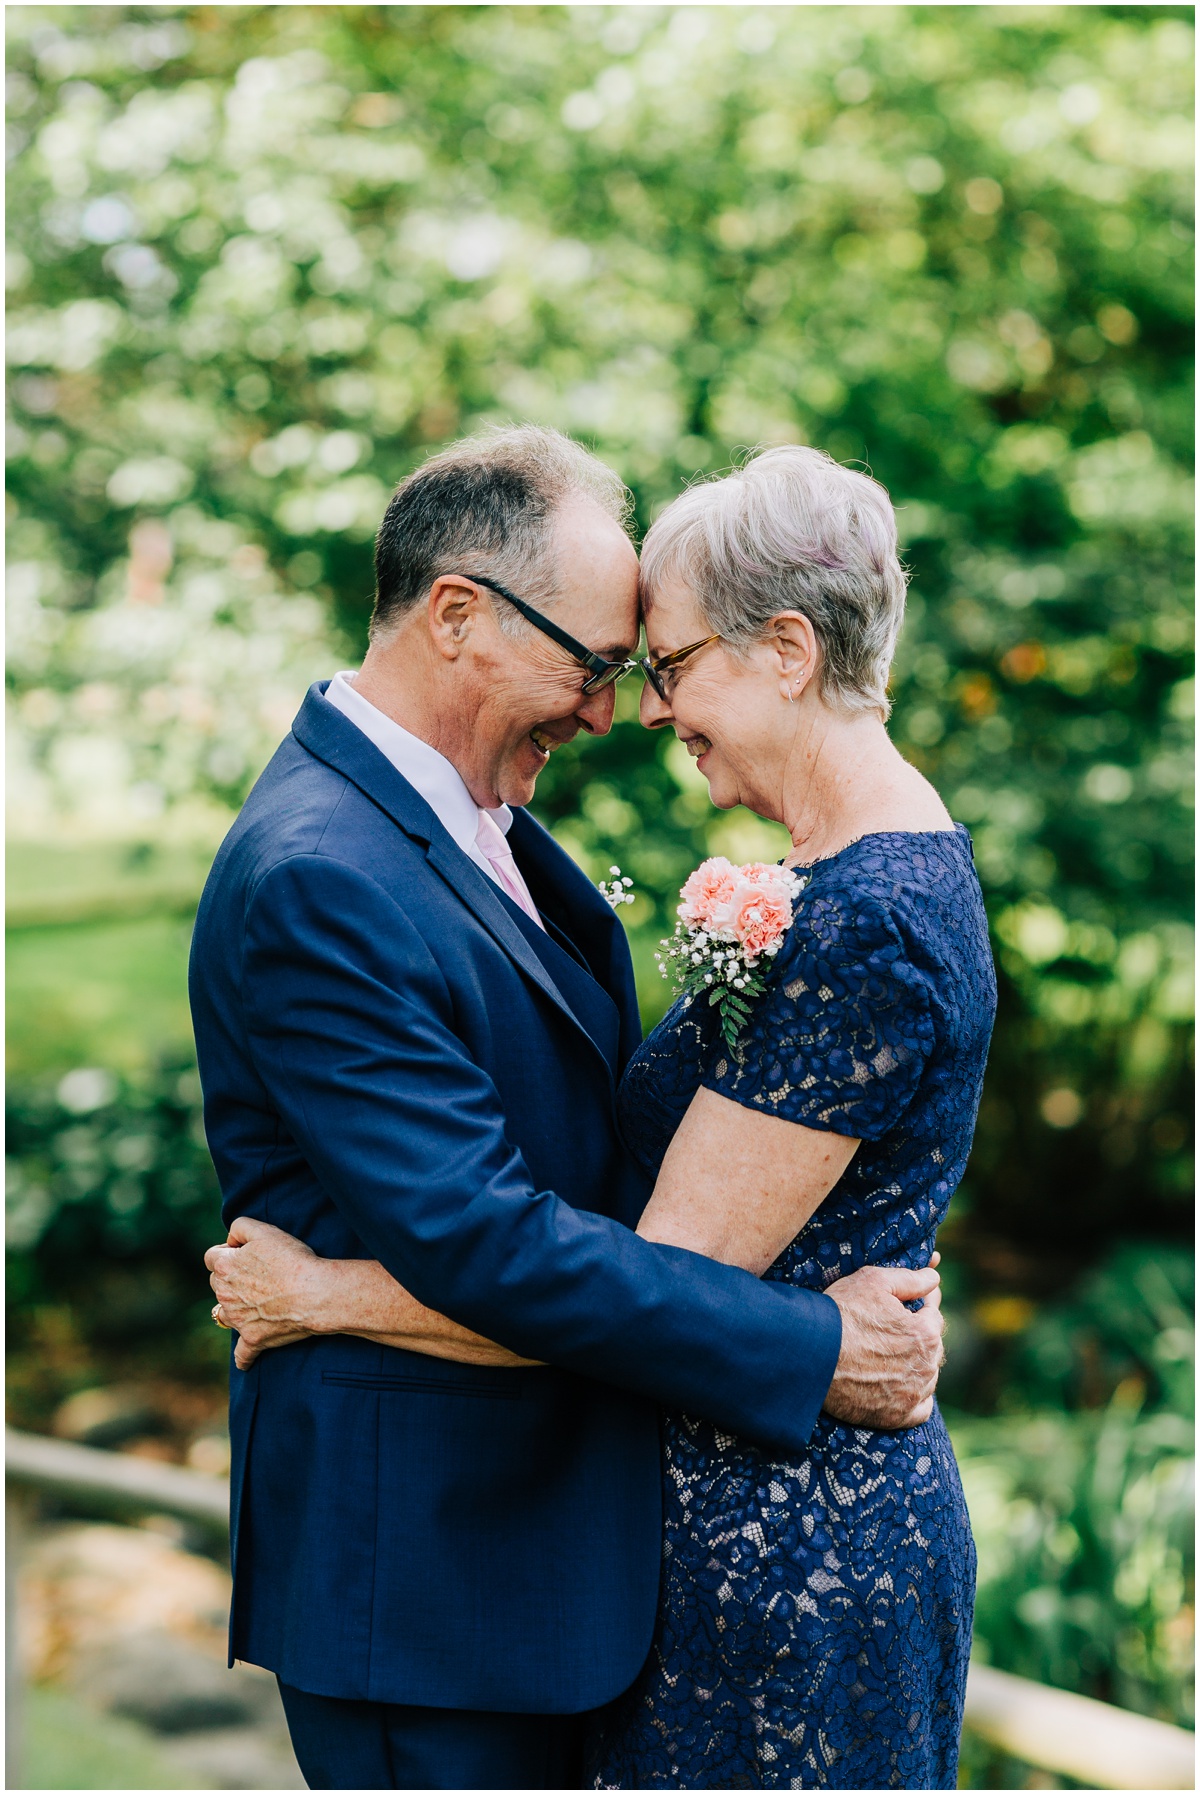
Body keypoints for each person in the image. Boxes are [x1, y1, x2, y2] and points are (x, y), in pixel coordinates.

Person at [194, 427, 947, 1793]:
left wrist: (330, 1294)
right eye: (593, 666)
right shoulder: (320, 875)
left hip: (548, 1569)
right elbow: (485, 1240)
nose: (610, 715)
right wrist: (812, 1346)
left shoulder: (469, 821)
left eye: (634, 670)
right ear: (458, 616)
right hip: (429, 1595)